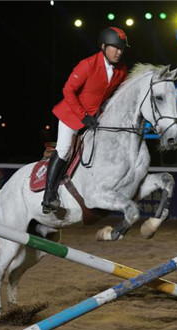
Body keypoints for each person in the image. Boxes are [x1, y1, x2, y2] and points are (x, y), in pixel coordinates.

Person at [42, 27, 130, 214]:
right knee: (64, 149)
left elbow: (121, 93)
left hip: (95, 119)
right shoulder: (87, 64)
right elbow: (68, 91)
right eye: (115, 47)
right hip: (72, 115)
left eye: (122, 48)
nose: (119, 52)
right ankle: (48, 196)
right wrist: (83, 116)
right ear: (103, 46)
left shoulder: (122, 70)